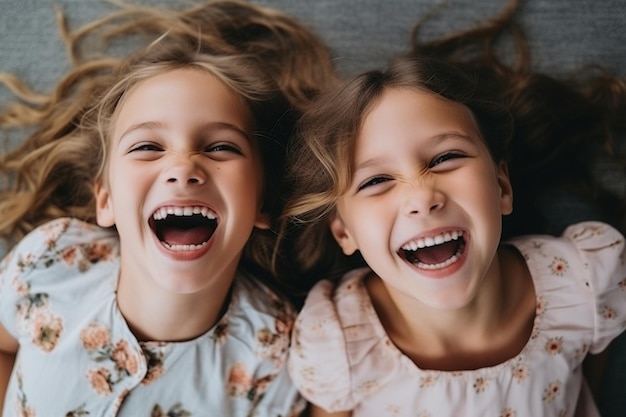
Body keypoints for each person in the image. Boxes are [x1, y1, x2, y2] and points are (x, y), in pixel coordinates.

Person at [278, 1, 626, 415]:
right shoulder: (341, 345)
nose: (422, 196)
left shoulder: (582, 285)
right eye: (375, 181)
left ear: (501, 185)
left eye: (445, 159)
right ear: (344, 233)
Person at [0, 1, 336, 415]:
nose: (183, 167)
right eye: (147, 147)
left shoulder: (273, 351)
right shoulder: (51, 259)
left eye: (220, 147)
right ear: (106, 199)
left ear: (263, 201)